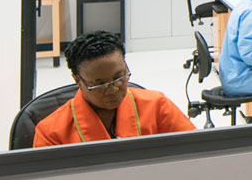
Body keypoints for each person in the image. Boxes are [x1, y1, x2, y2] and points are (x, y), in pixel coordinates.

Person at [33, 31, 195, 146]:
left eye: (119, 77)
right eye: (100, 84)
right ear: (78, 80)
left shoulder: (157, 106)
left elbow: (197, 153)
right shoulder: (51, 133)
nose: (112, 90)